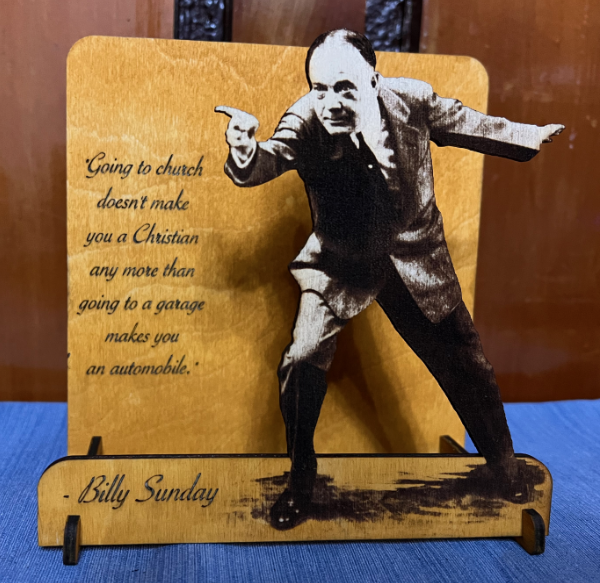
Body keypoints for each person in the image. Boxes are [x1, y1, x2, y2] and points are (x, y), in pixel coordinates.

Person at [216, 29, 564, 530]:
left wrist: (528, 136)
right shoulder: (306, 119)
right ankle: (301, 480)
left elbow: (467, 123)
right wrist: (245, 149)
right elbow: (268, 159)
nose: (330, 103)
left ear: (374, 81)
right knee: (301, 359)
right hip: (340, 265)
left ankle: (503, 467)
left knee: (468, 363)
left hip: (417, 262)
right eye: (319, 89)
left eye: (345, 88)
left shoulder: (412, 99)